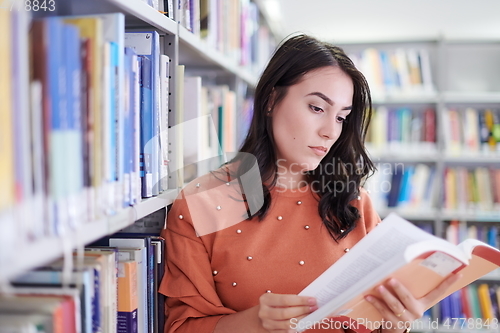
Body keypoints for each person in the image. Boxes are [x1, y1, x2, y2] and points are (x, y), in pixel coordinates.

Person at [158, 34, 460, 333]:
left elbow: (373, 322)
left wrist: (396, 324)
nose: (331, 131)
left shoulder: (355, 203)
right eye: (317, 108)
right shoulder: (200, 203)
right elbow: (183, 327)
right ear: (271, 101)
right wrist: (255, 323)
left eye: (342, 117)